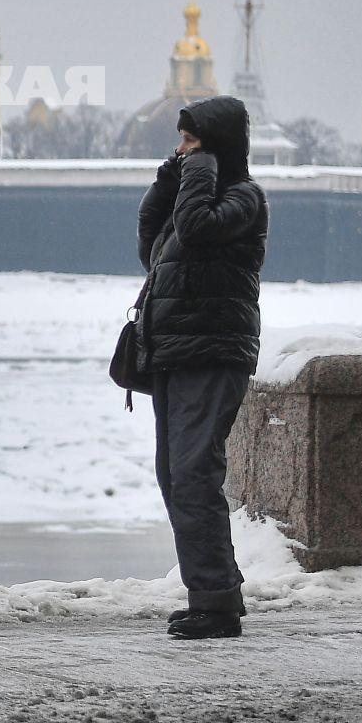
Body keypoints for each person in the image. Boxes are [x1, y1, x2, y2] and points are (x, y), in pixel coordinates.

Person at [135, 94, 268, 640]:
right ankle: (213, 593)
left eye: (191, 142)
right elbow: (153, 246)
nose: (180, 150)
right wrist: (169, 181)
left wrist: (199, 172)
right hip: (176, 353)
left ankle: (216, 604)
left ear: (215, 147)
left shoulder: (243, 198)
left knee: (193, 474)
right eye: (181, 141)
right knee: (175, 475)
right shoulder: (192, 195)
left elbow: (194, 230)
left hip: (213, 353)